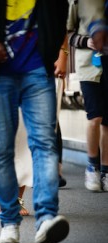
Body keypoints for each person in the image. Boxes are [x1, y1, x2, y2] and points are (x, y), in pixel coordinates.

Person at [0, 0, 70, 243]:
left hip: (37, 70)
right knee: (2, 149)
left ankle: (46, 218)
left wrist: (52, 51)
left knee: (44, 143)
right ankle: (9, 222)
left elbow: (60, 9)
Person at [67, 0, 108, 192]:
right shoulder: (81, 2)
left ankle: (106, 171)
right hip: (89, 65)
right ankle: (92, 166)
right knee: (95, 116)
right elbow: (68, 35)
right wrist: (86, 41)